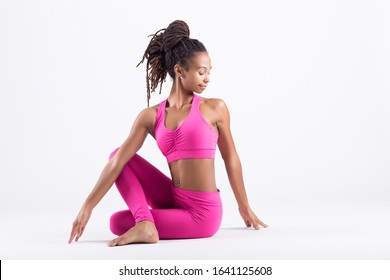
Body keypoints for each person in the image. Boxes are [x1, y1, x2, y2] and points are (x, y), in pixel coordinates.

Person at [68, 20, 268, 247]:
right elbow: (118, 163)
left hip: (202, 213)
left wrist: (244, 206)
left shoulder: (215, 108)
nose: (207, 78)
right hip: (174, 198)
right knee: (117, 157)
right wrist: (88, 205)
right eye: (202, 72)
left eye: (209, 72)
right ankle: (145, 223)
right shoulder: (151, 116)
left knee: (120, 221)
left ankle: (145, 225)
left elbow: (230, 157)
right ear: (179, 70)